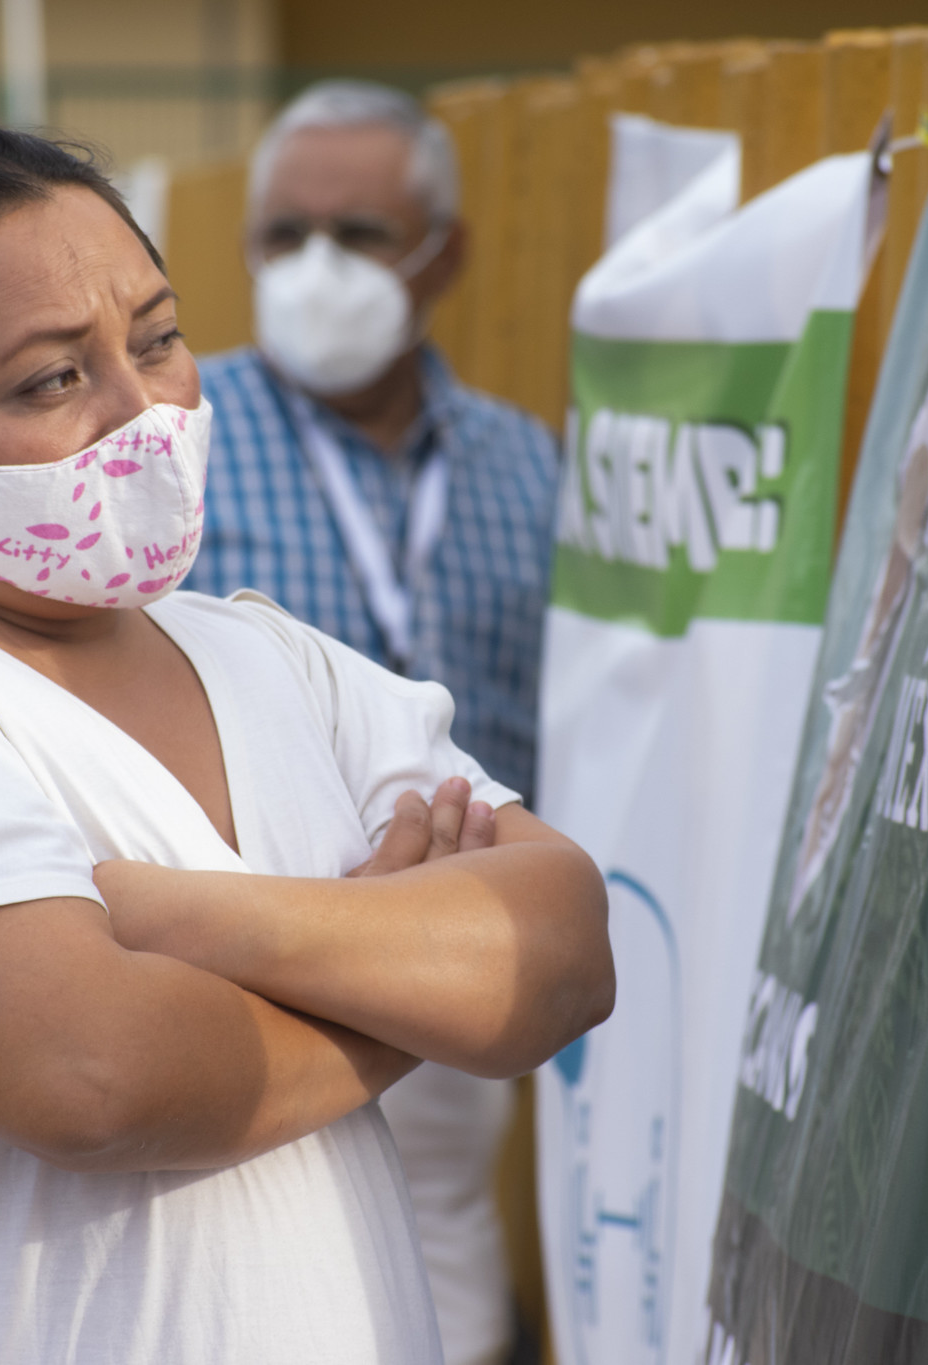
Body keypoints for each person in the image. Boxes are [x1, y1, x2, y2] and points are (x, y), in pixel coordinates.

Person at [0, 123, 611, 1365]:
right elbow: (96, 1081)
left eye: (156, 339)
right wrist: (406, 973)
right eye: (51, 380)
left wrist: (181, 917)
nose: (142, 412)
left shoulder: (275, 661)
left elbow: (559, 948)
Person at [185, 81, 562, 1365]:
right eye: (284, 236)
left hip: (458, 958)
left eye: (356, 234)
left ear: (441, 254)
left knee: (442, 1251)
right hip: (241, 955)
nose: (314, 268)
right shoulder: (176, 449)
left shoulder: (527, 468)